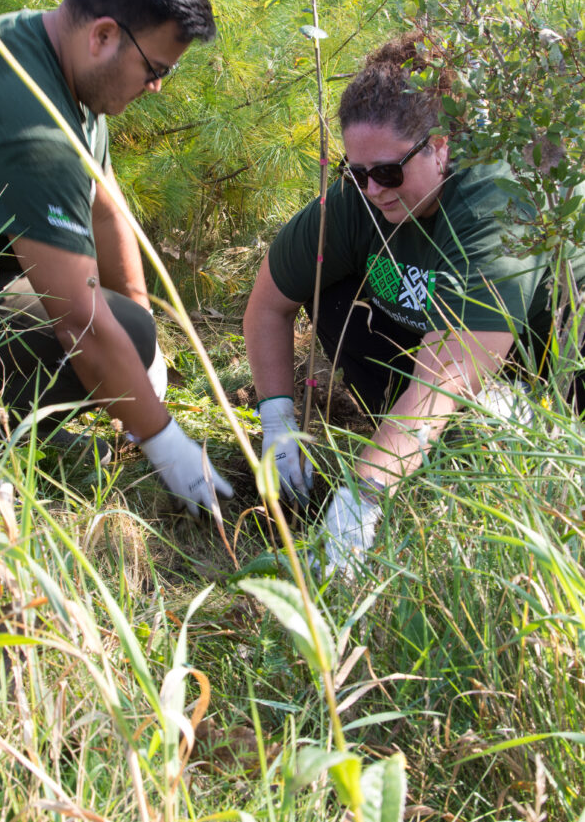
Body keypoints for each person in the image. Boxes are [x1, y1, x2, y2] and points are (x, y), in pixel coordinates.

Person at [0, 0, 233, 516]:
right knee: (112, 332)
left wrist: (143, 339)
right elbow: (79, 320)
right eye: (154, 68)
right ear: (104, 35)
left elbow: (105, 205)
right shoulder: (31, 122)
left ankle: (5, 415)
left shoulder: (46, 45)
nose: (156, 87)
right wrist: (167, 444)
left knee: (131, 329)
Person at [244, 33, 585, 572]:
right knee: (330, 292)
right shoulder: (359, 198)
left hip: (552, 366)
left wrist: (364, 492)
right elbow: (268, 304)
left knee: (487, 407)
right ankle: (427, 450)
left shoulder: (493, 200)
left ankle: (514, 433)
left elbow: (449, 371)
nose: (374, 189)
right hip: (451, 355)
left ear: (440, 145)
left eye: (387, 172)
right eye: (356, 173)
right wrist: (277, 424)